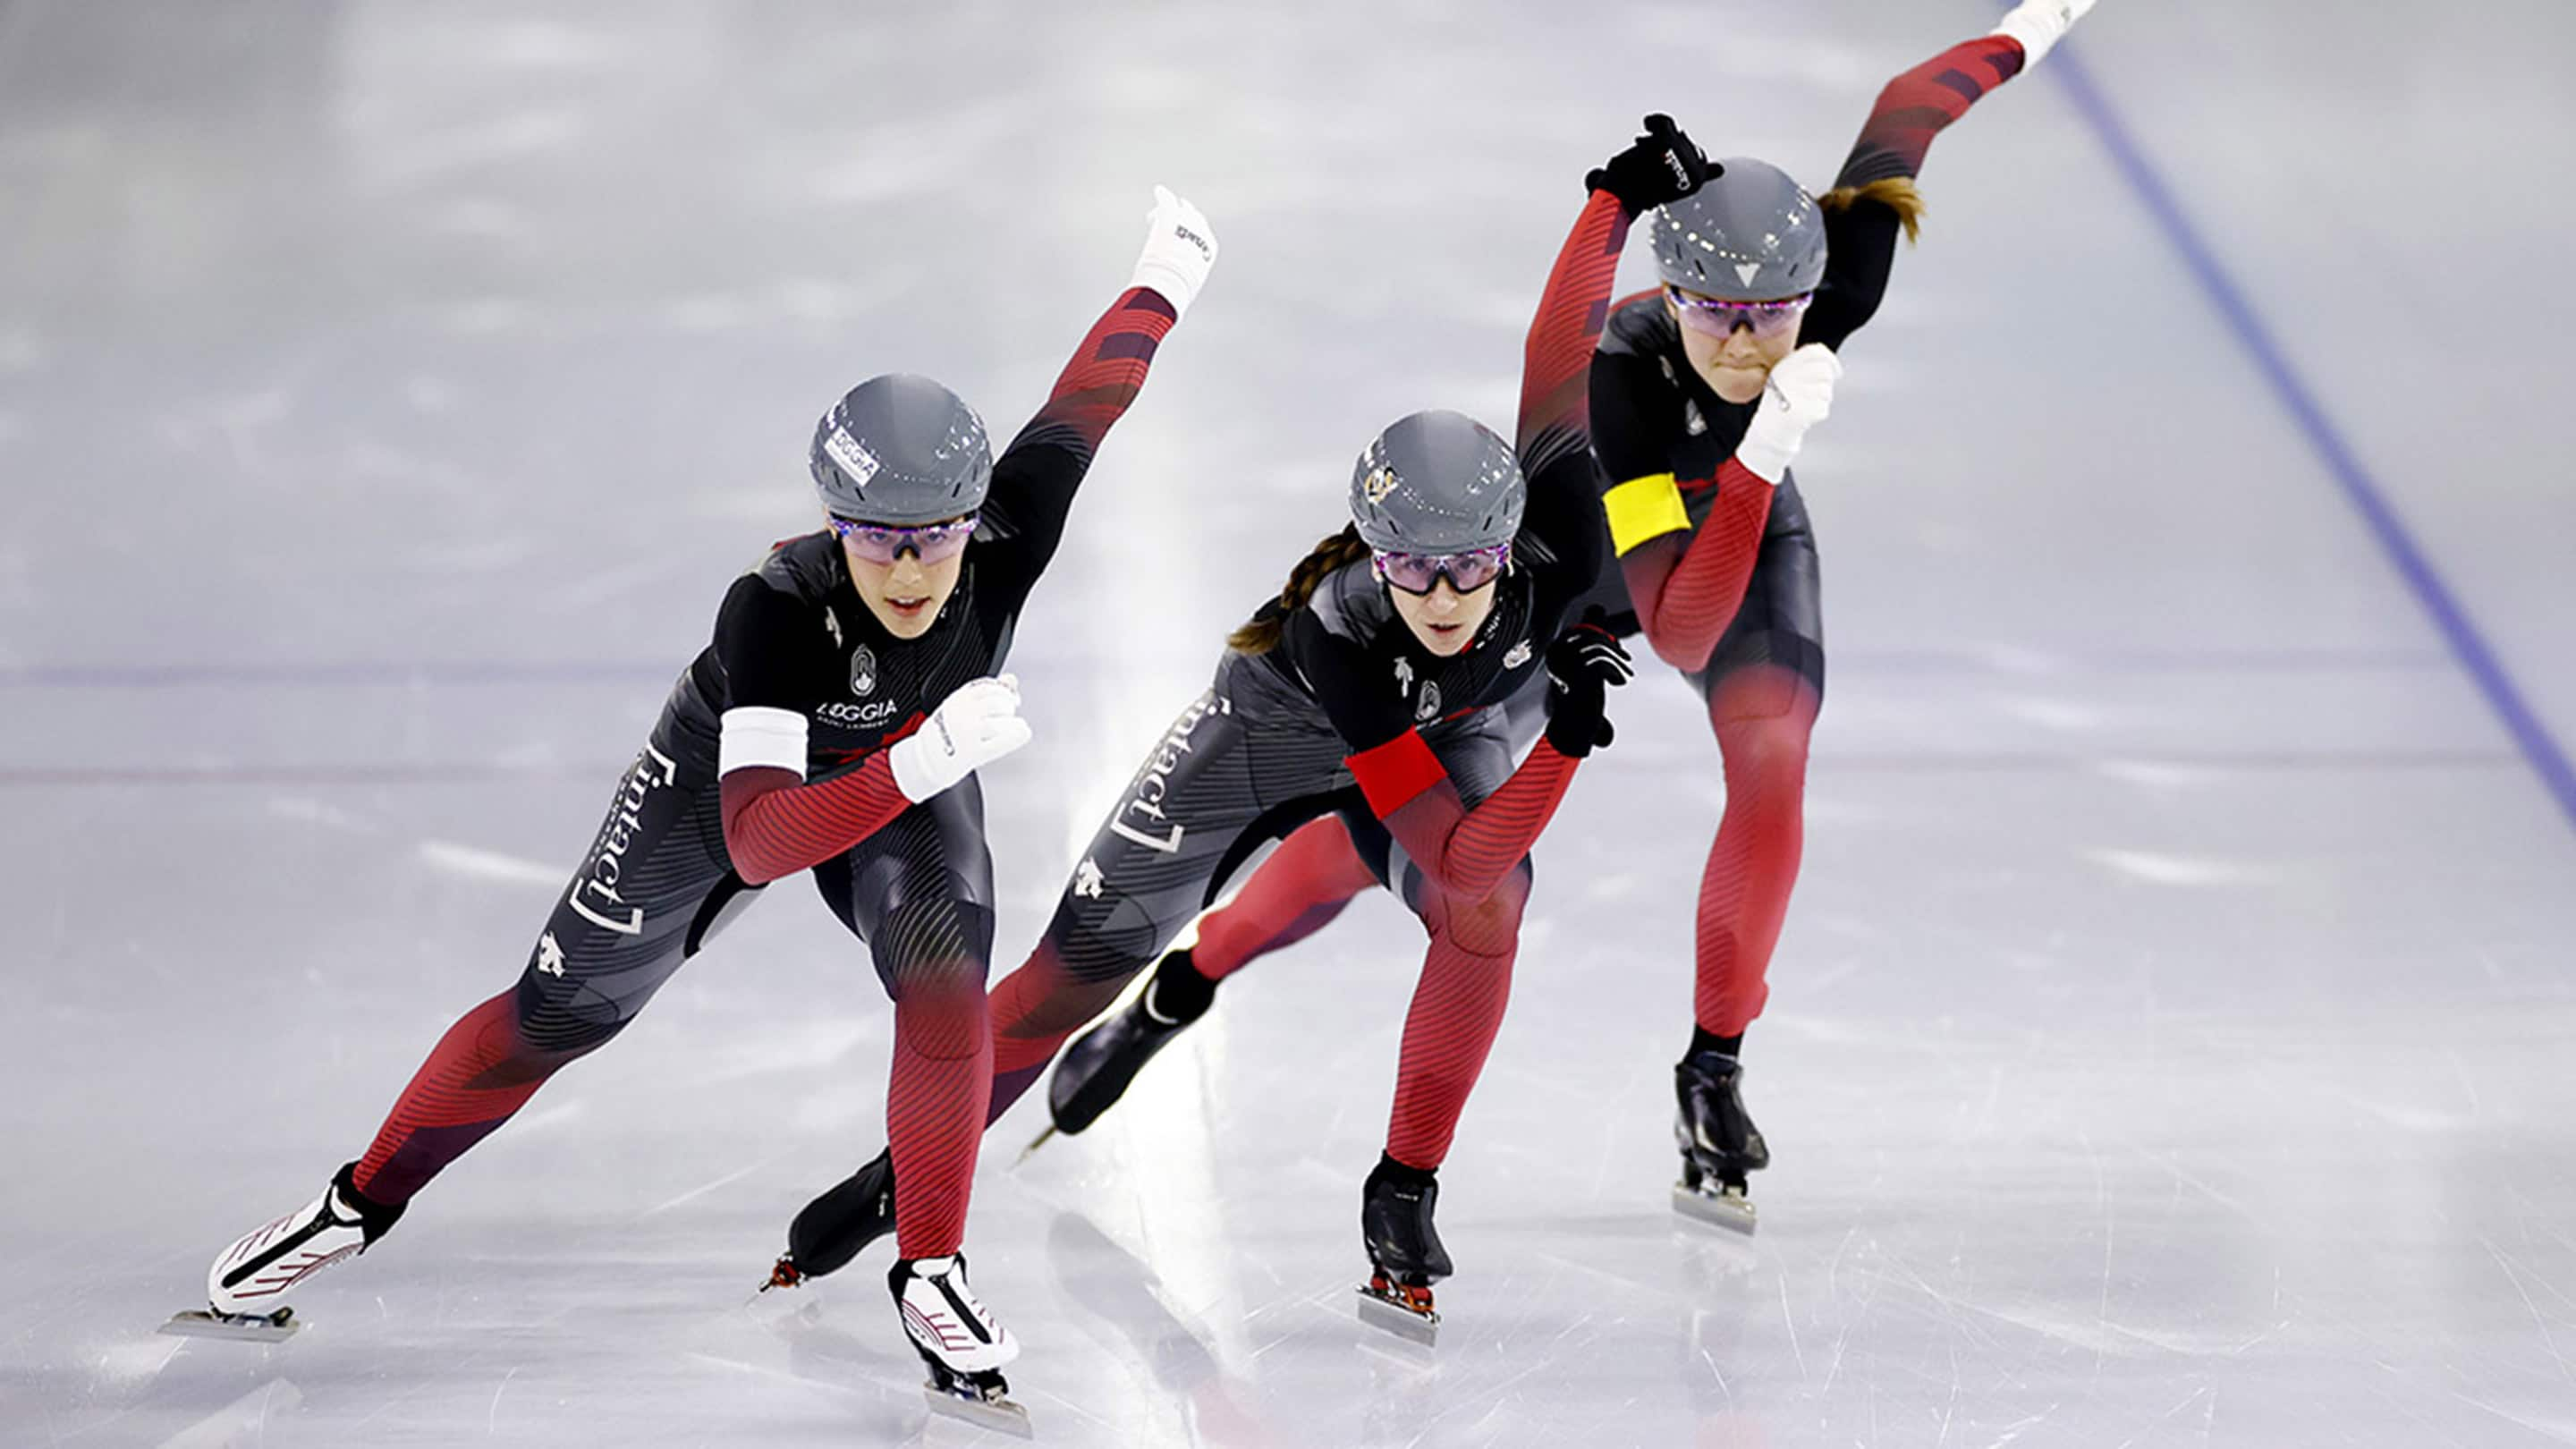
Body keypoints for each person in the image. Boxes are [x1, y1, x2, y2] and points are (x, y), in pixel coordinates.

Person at [1027, 0, 2103, 1236]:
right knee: (1409, 840)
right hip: (1584, 592)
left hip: (1745, 539)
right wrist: (1763, 454)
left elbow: (1911, 105)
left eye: (1774, 315)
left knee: (1772, 759)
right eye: (1715, 311)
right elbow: (1673, 626)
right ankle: (1191, 978)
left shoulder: (1834, 273)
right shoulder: (1629, 379)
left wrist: (2034, 24)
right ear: (1669, 289)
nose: (1749, 344)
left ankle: (1714, 1066)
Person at [174, 187, 1219, 1418]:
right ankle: (356, 1205)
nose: (905, 565)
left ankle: (930, 1268)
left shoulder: (1008, 529)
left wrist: (1168, 272)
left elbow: (1093, 395)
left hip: (907, 772)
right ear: (834, 524)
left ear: (972, 519)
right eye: (873, 538)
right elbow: (757, 839)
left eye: (932, 537)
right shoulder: (774, 608)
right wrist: (922, 761)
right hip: (735, 781)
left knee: (944, 982)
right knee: (554, 1017)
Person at [765, 118, 1711, 1337]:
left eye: (1468, 569)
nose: (1440, 597)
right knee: (1063, 982)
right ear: (1373, 556)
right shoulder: (1341, 630)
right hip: (1270, 727)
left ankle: (1400, 1192)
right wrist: (1570, 743)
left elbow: (1554, 351)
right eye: (1410, 571)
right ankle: (899, 1176)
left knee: (1492, 914)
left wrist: (1609, 201)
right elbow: (1454, 843)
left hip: (1456, 732)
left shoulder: (1560, 537)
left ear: (1509, 545)